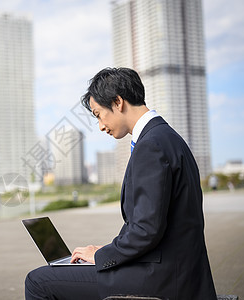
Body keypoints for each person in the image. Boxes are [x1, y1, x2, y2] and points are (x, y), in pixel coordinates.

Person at [25, 67, 217, 299]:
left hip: (161, 277)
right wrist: (103, 251)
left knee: (38, 281)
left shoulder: (151, 146)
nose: (101, 126)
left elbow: (146, 230)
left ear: (118, 102)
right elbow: (152, 225)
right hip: (179, 271)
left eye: (98, 114)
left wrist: (102, 256)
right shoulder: (167, 137)